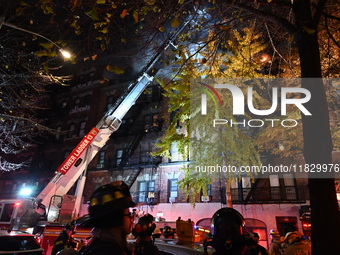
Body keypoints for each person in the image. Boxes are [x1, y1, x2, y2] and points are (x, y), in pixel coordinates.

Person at [79, 181, 136, 255]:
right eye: (128, 214)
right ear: (116, 218)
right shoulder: (111, 252)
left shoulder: (96, 246)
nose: (131, 220)